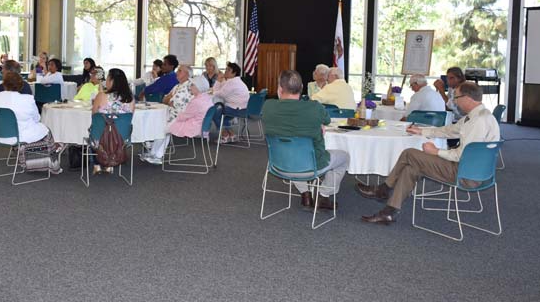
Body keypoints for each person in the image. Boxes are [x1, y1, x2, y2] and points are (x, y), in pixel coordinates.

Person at [359, 82, 500, 224]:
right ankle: (389, 212)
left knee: (410, 154)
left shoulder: (478, 122)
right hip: (473, 170)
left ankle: (383, 189)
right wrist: (421, 131)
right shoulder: (479, 116)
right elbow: (449, 131)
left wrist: (436, 151)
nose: (455, 102)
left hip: (465, 173)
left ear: (468, 98)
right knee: (410, 168)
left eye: (456, 97)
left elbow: (461, 155)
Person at [262, 70, 350, 210]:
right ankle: (324, 195)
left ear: (280, 88)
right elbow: (327, 120)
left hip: (279, 164)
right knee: (345, 157)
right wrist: (317, 123)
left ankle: (306, 195)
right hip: (312, 166)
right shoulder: (314, 108)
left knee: (292, 153)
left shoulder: (268, 107)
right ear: (302, 87)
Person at [0, 71, 62, 175]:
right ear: (20, 85)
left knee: (36, 131)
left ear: (4, 84)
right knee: (46, 131)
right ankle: (51, 163)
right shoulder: (27, 99)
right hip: (20, 136)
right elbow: (37, 118)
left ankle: (31, 160)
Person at [142, 65, 194, 164]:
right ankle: (154, 152)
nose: (177, 73)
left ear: (187, 74)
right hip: (171, 113)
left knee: (162, 126)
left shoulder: (188, 86)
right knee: (155, 119)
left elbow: (173, 102)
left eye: (180, 71)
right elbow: (165, 99)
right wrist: (169, 98)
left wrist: (170, 98)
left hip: (180, 116)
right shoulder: (178, 85)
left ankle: (157, 155)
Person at [92, 68, 135, 174]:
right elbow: (130, 117)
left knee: (94, 130)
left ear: (111, 81)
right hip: (121, 138)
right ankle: (109, 162)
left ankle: (97, 165)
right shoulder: (131, 99)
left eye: (107, 78)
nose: (105, 81)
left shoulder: (101, 96)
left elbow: (94, 115)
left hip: (100, 137)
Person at [211, 62, 250, 143]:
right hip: (242, 109)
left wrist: (218, 81)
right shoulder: (234, 81)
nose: (225, 71)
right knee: (221, 115)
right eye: (226, 69)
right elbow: (218, 91)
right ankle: (232, 135)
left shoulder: (232, 83)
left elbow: (219, 93)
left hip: (236, 110)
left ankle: (225, 135)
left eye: (228, 70)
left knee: (213, 113)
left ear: (234, 73)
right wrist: (218, 83)